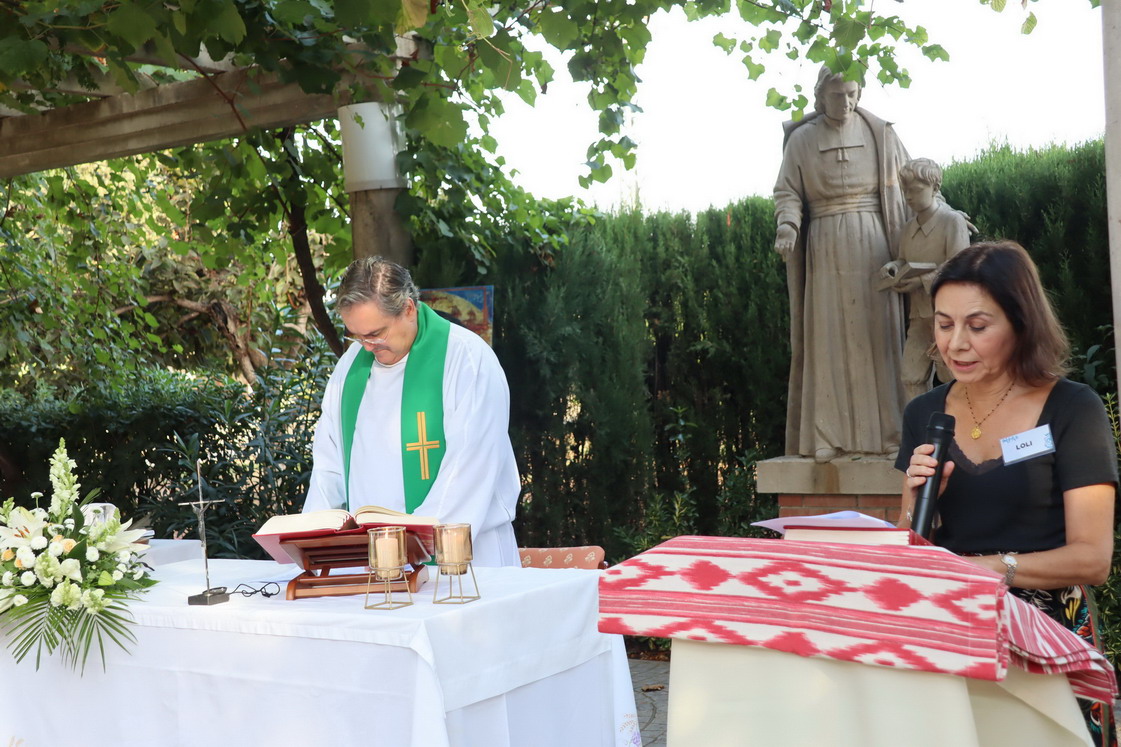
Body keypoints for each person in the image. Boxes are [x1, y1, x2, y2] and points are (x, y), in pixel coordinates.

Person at [898, 241, 1116, 745]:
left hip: (1047, 636)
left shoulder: (1073, 409)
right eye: (944, 324)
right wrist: (914, 503)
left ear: (1021, 323)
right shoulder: (924, 414)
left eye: (977, 326)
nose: (955, 344)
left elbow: (1094, 558)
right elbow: (910, 551)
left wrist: (990, 568)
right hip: (951, 631)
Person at [303, 257, 521, 567]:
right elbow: (329, 465)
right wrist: (314, 539)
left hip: (463, 559)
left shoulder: (466, 359)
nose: (367, 346)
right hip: (377, 561)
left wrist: (412, 544)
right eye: (357, 336)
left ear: (408, 308)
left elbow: (470, 467)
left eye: (376, 333)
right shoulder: (350, 366)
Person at [773, 65, 909, 462]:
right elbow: (787, 192)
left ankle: (891, 432)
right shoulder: (801, 140)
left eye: (852, 94)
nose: (846, 102)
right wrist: (787, 225)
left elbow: (914, 181)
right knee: (828, 339)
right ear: (820, 97)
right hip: (826, 244)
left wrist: (942, 216)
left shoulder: (881, 134)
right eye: (837, 95)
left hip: (875, 243)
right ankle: (826, 434)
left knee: (879, 338)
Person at [880, 157, 972, 400]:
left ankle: (958, 422)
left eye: (916, 190)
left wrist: (922, 281)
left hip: (949, 315)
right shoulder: (908, 228)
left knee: (951, 375)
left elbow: (961, 266)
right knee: (911, 376)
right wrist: (893, 267)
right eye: (905, 191)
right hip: (919, 316)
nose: (909, 197)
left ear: (935, 188)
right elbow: (903, 259)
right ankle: (920, 422)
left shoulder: (952, 221)